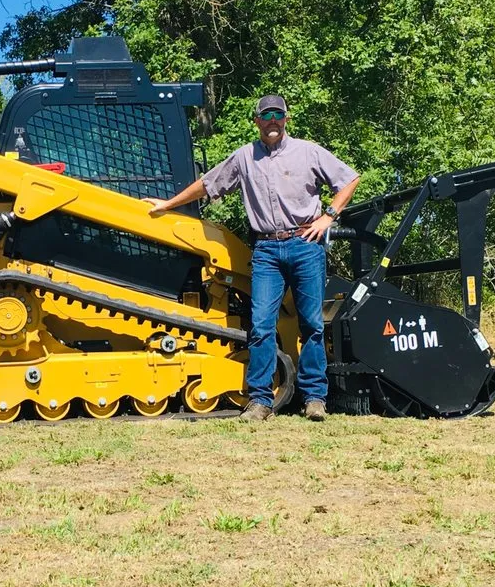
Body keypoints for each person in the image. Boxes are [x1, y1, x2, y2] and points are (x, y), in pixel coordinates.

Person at [143, 95, 360, 422]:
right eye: (266, 115)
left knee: (312, 324)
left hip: (305, 245)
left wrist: (329, 216)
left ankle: (315, 398)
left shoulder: (309, 152)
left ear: (286, 119)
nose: (272, 121)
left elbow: (350, 179)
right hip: (267, 251)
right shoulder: (244, 157)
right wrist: (168, 204)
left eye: (278, 115)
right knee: (260, 325)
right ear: (256, 120)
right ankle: (260, 400)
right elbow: (207, 184)